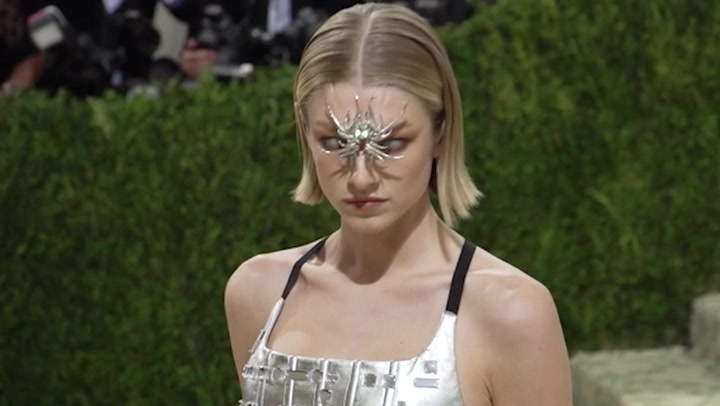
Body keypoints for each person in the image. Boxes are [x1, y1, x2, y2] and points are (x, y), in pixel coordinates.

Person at [224, 3, 573, 405]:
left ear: (440, 131)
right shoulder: (258, 292)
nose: (361, 177)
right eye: (334, 142)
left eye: (390, 143)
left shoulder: (509, 312)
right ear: (304, 131)